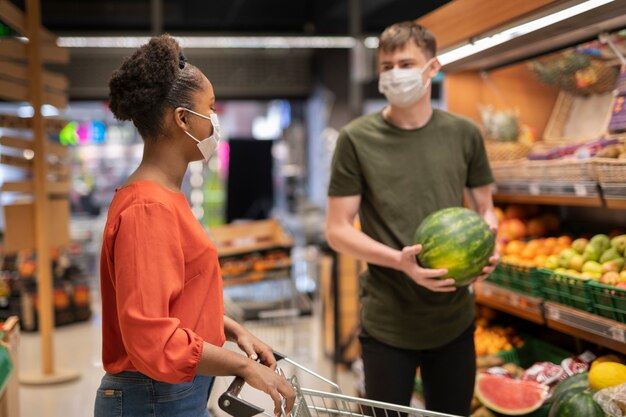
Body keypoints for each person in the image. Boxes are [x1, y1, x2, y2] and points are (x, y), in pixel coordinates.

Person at [96, 35, 295, 417]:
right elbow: (152, 337)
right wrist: (243, 367)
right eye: (211, 108)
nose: (215, 121)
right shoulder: (147, 208)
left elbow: (173, 301)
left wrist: (233, 331)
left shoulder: (165, 196)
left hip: (173, 392)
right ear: (183, 119)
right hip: (153, 397)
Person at [325, 21, 499, 416]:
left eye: (406, 63)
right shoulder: (356, 138)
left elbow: (486, 208)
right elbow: (336, 230)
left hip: (454, 320)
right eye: (386, 66)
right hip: (388, 321)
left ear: (432, 68)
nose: (395, 73)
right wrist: (400, 262)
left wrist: (490, 241)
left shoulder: (464, 133)